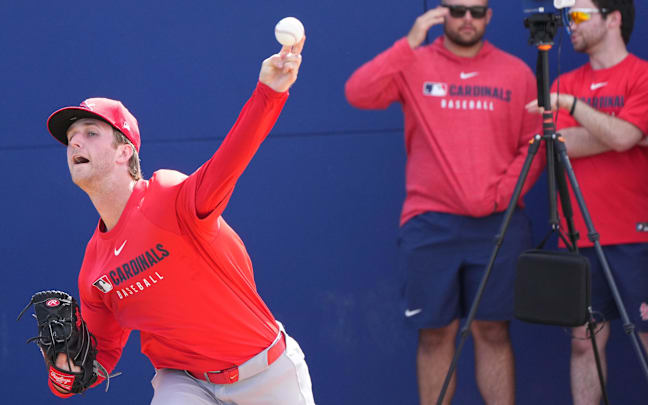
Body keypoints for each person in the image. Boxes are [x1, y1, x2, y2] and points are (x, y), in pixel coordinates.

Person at [41, 37, 315, 404]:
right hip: (184, 383)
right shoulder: (95, 267)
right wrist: (66, 373)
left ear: (126, 152)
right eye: (72, 139)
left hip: (265, 372)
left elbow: (228, 163)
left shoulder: (167, 197)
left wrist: (270, 92)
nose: (76, 144)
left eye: (91, 133)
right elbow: (100, 355)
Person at [345, 1, 543, 404]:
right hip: (430, 224)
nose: (466, 18)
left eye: (475, 11)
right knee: (435, 334)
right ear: (440, 15)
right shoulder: (414, 62)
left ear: (488, 17)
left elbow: (535, 143)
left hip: (499, 224)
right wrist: (410, 41)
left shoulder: (517, 72)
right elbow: (358, 92)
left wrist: (503, 195)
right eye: (456, 10)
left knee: (492, 330)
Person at [525, 1, 648, 404]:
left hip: (636, 232)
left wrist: (577, 111)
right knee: (583, 341)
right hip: (579, 233)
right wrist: (624, 131)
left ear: (613, 18)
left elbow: (621, 138)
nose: (568, 25)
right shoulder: (563, 81)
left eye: (578, 15)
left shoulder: (642, 76)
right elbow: (558, 145)